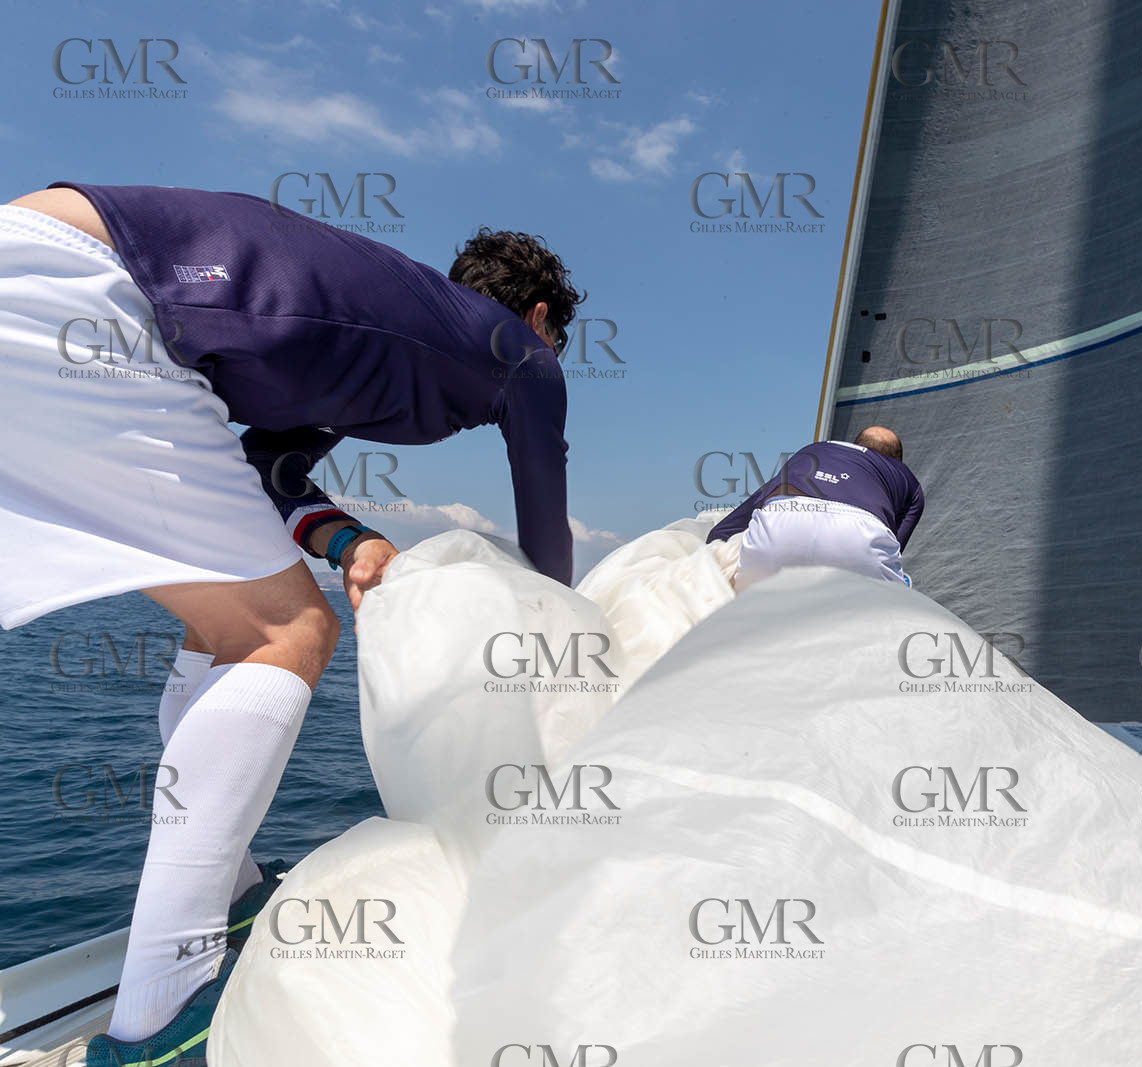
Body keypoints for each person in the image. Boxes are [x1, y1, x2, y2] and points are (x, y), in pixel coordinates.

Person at [0, 183, 578, 1066]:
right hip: (90, 289)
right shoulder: (520, 353)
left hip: (50, 270)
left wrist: (347, 538)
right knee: (286, 634)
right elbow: (546, 533)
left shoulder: (378, 333)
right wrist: (559, 645)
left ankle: (229, 892)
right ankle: (160, 1019)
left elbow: (266, 470)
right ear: (537, 315)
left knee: (229, 630)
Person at [707, 427, 924, 590]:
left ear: (856, 443)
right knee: (895, 591)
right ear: (896, 460)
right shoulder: (906, 479)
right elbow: (895, 545)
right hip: (860, 538)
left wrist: (713, 544)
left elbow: (737, 520)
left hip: (779, 527)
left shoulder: (814, 451)